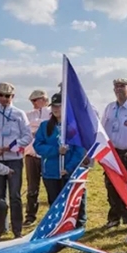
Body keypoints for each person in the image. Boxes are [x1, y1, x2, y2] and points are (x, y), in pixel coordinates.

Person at [0, 82, 32, 238]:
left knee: (15, 196)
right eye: (0, 95)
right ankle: (1, 228)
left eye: (7, 96)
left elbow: (27, 136)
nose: (4, 98)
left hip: (14, 159)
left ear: (12, 96)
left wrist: (14, 146)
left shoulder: (19, 114)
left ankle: (17, 230)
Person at [99, 78, 127, 232]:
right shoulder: (110, 107)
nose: (118, 89)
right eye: (116, 87)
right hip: (113, 154)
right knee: (112, 186)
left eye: (122, 86)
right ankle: (114, 218)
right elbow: (103, 130)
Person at [33, 93, 87, 221]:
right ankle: (56, 225)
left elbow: (79, 150)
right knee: (54, 202)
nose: (56, 109)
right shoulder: (45, 126)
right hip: (51, 172)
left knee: (72, 201)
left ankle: (77, 224)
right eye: (54, 106)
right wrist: (55, 150)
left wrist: (68, 168)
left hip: (68, 172)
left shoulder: (73, 126)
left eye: (59, 106)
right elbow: (38, 145)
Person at [23, 89, 51, 227]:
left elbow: (46, 127)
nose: (34, 103)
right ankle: (30, 215)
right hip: (31, 155)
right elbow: (26, 129)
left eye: (36, 100)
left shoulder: (51, 113)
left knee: (51, 186)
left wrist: (36, 126)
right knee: (32, 187)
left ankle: (53, 214)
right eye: (32, 101)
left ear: (45, 100)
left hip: (47, 156)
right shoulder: (27, 115)